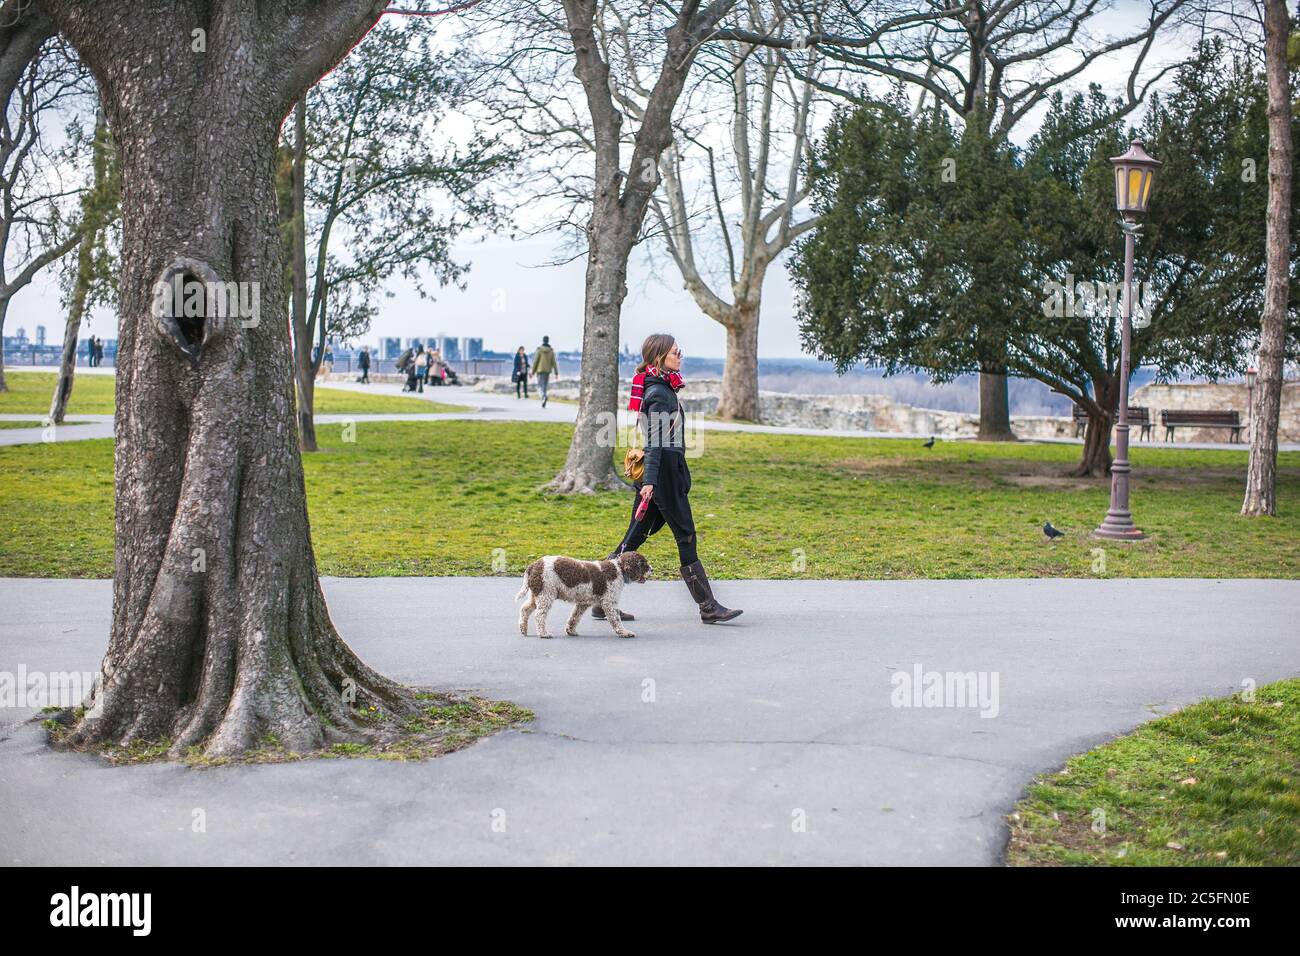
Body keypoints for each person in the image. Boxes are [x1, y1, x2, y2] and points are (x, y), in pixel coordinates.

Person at [598, 333, 741, 625]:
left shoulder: (661, 387)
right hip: (662, 477)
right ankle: (708, 607)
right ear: (658, 358)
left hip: (660, 476)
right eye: (675, 352)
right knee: (685, 536)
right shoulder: (659, 394)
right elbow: (654, 442)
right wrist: (650, 482)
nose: (680, 356)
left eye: (680, 351)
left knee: (634, 537)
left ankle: (602, 600)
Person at [532, 335, 557, 407]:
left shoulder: (539, 350)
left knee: (540, 386)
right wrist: (556, 372)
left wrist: (533, 371)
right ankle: (544, 396)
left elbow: (536, 361)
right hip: (547, 371)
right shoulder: (551, 351)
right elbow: (554, 362)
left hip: (540, 371)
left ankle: (543, 397)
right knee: (545, 386)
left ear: (543, 340)